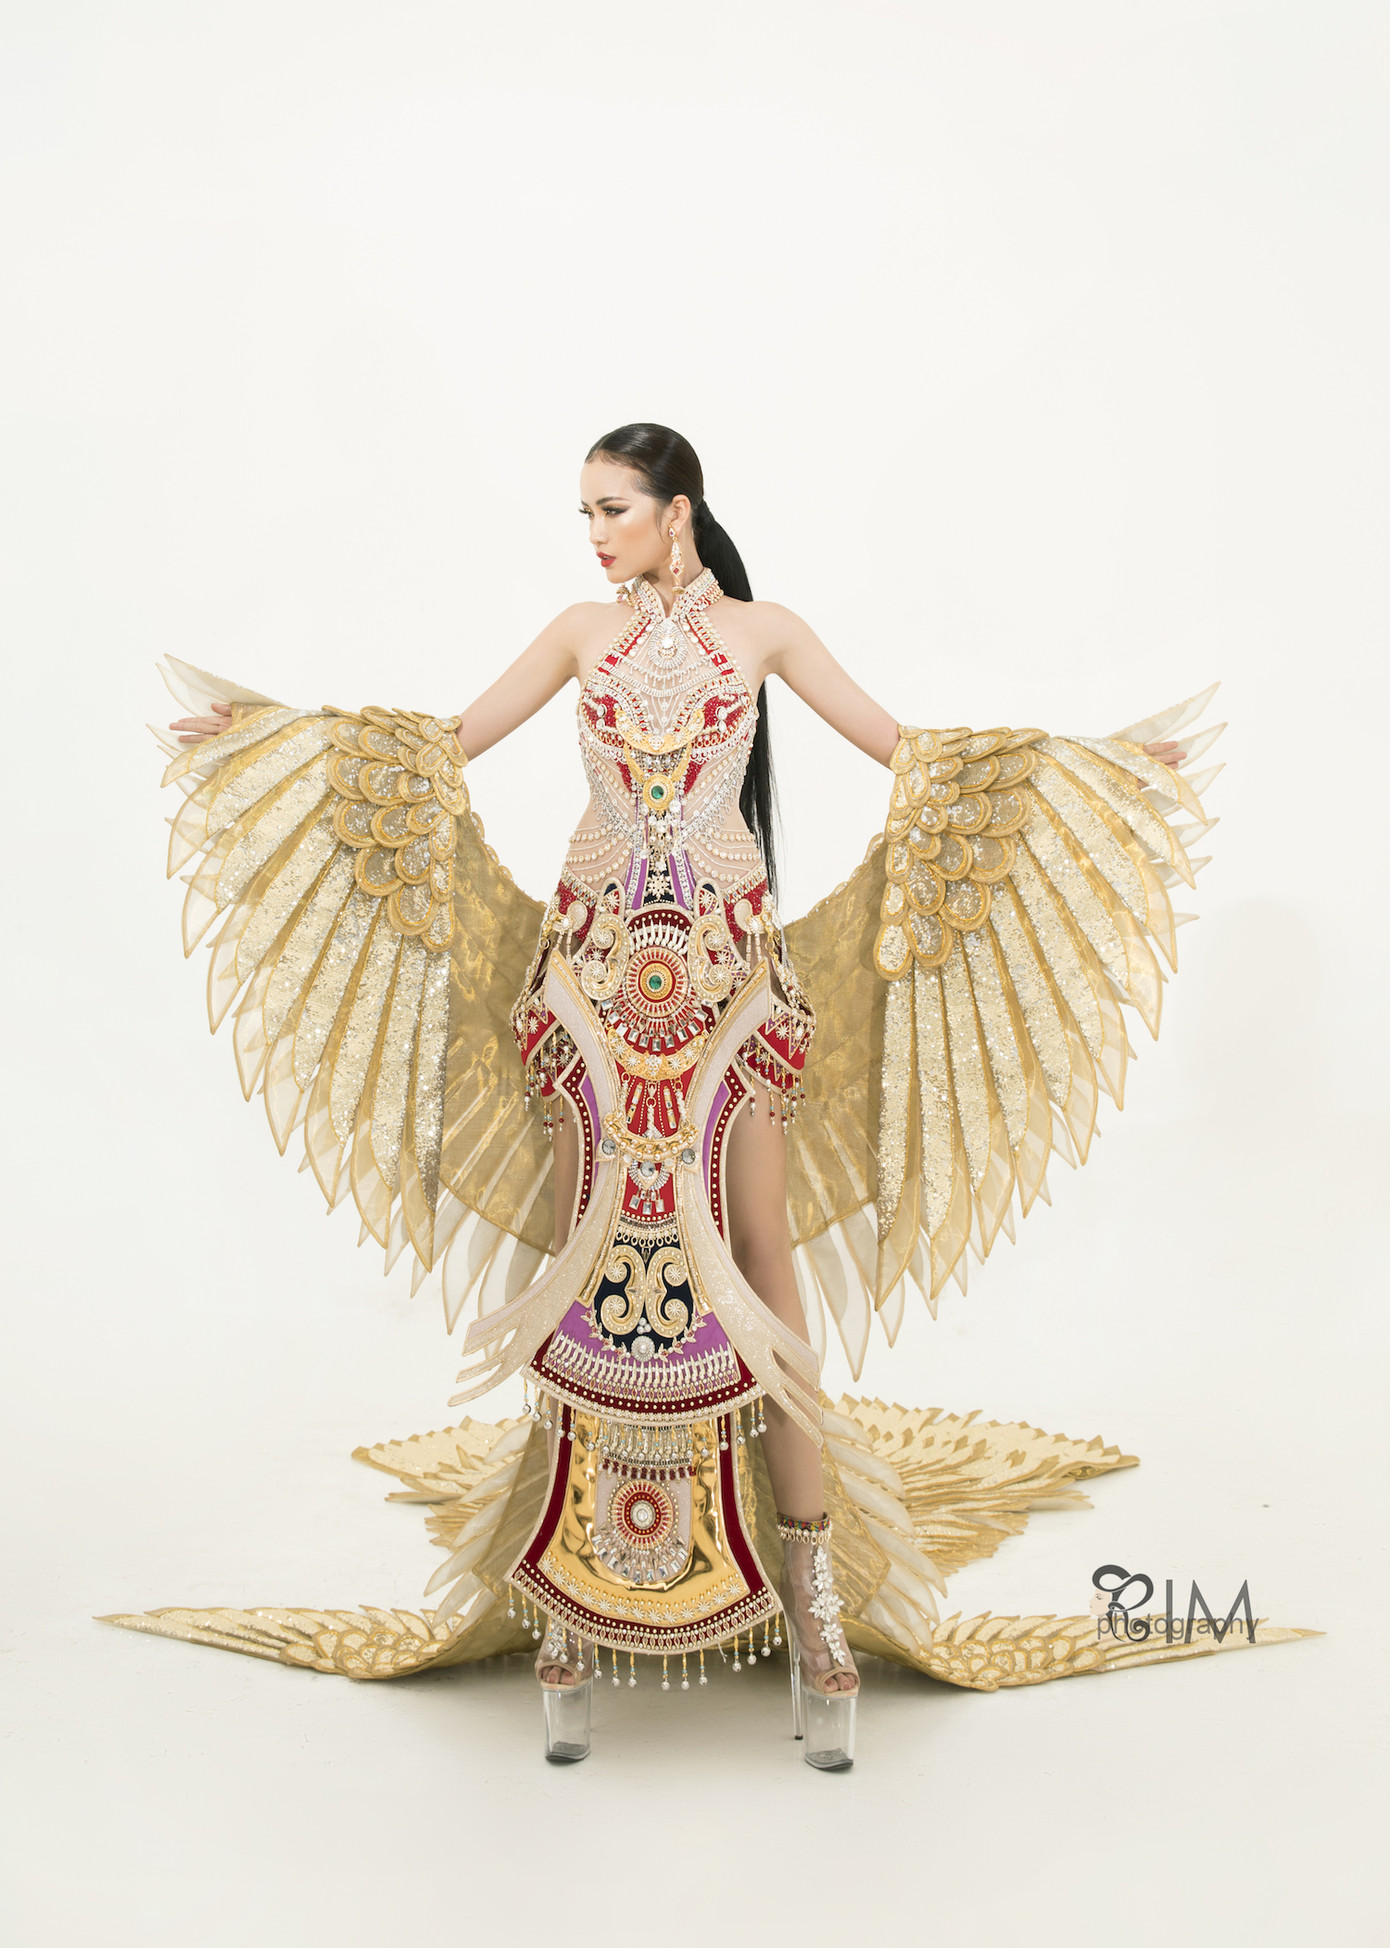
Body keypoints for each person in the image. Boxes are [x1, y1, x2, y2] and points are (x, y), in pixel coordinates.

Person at [154, 423, 1197, 1767]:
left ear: (677, 510)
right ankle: (567, 1599)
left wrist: (1111, 780)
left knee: (761, 1256)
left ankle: (813, 1601)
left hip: (727, 989)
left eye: (614, 509)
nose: (595, 534)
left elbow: (922, 761)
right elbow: (434, 751)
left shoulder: (766, 635)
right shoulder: (576, 634)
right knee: (581, 1266)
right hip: (593, 988)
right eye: (585, 513)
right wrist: (261, 744)